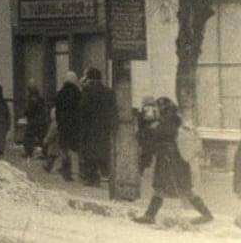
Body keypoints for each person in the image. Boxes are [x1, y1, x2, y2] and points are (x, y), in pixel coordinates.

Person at [133, 97, 213, 225]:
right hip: (171, 160)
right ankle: (150, 215)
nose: (156, 111)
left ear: (164, 109)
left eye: (157, 108)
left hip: (171, 160)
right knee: (167, 188)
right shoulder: (172, 119)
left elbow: (157, 136)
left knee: (178, 189)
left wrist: (151, 127)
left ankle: (206, 214)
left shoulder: (170, 121)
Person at [78, 67, 115, 186]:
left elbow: (83, 109)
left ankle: (92, 178)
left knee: (89, 153)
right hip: (103, 127)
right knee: (101, 151)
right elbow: (113, 109)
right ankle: (103, 174)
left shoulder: (87, 91)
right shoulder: (109, 91)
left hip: (90, 127)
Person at [48, 71, 81, 180]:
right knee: (74, 149)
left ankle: (66, 171)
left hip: (63, 125)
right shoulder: (78, 93)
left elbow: (57, 110)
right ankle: (78, 171)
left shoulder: (60, 93)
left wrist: (59, 121)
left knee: (64, 149)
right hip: (75, 125)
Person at [22, 84, 49, 159]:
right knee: (42, 137)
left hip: (33, 121)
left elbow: (31, 110)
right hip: (41, 121)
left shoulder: (32, 99)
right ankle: (46, 153)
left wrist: (26, 113)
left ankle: (28, 152)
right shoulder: (40, 99)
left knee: (28, 136)